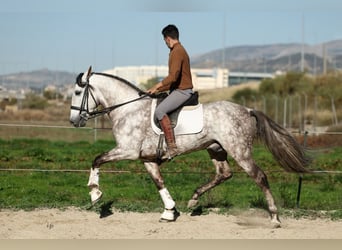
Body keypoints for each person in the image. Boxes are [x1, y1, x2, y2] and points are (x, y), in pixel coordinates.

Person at [148, 24, 194, 159]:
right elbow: (173, 81)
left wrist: (156, 86)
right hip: (178, 89)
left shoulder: (177, 51)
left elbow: (173, 76)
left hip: (183, 91)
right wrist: (154, 90)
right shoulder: (177, 50)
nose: (165, 43)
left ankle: (172, 147)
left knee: (160, 111)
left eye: (164, 41)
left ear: (167, 38)